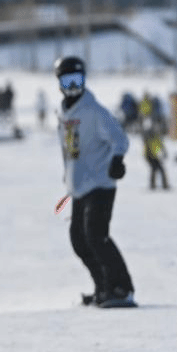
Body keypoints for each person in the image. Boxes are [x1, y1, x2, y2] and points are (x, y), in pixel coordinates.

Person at [54, 56, 135, 308]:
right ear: (59, 83)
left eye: (77, 81)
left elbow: (119, 137)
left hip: (100, 182)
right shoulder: (63, 112)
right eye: (67, 81)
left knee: (96, 235)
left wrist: (117, 160)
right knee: (79, 239)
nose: (73, 87)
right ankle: (103, 286)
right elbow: (69, 148)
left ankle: (122, 288)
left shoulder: (94, 111)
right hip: (78, 186)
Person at [142, 124, 169, 190]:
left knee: (159, 169)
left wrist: (164, 153)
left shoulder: (157, 138)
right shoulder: (150, 139)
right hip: (149, 156)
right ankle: (155, 185)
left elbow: (161, 146)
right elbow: (148, 148)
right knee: (155, 168)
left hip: (154, 156)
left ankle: (161, 185)